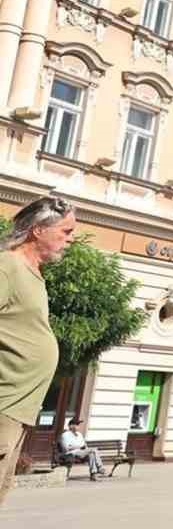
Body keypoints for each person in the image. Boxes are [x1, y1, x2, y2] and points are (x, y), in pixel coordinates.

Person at [0, 196, 73, 509]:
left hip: (17, 410)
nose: (70, 240)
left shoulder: (33, 273)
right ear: (37, 230)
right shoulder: (7, 267)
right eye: (65, 232)